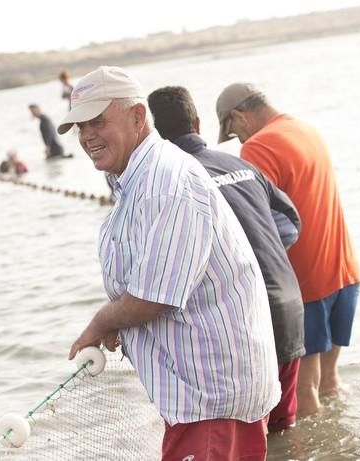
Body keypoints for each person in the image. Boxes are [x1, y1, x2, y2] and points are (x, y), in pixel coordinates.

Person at [60, 66, 280, 460]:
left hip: (211, 398)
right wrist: (119, 322)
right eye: (79, 127)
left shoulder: (167, 182)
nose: (87, 135)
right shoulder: (136, 177)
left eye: (97, 121)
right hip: (202, 394)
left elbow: (153, 297)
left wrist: (103, 322)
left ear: (138, 117)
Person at [149, 85, 305, 432]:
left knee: (251, 437)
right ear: (198, 122)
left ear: (153, 135)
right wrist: (257, 249)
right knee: (284, 431)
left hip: (247, 322)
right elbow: (290, 223)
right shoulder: (238, 163)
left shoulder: (174, 181)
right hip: (289, 306)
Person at [216, 83, 360, 418]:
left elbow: (256, 221)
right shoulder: (306, 128)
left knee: (305, 394)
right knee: (329, 383)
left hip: (308, 285)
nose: (239, 141)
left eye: (234, 132)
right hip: (346, 273)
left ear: (239, 116)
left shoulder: (258, 146)